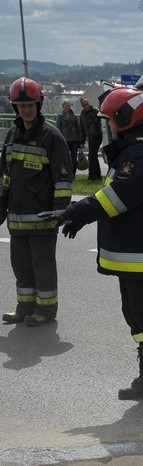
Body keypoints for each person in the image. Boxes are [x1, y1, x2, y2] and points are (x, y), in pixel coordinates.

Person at [39, 86, 143, 413]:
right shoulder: (131, 153)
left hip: (142, 254)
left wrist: (74, 212)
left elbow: (115, 199)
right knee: (134, 316)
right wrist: (81, 216)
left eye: (111, 120)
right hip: (131, 252)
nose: (108, 127)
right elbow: (113, 200)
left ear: (125, 119)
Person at [0, 77, 73, 327]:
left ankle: (46, 310)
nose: (26, 110)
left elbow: (63, 180)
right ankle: (24, 308)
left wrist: (59, 213)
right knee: (21, 267)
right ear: (15, 108)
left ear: (39, 103)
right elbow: (5, 175)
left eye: (30, 105)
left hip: (42, 220)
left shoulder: (51, 136)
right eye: (21, 106)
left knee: (42, 267)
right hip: (17, 220)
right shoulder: (12, 133)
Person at [78, 97, 103, 181]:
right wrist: (82, 141)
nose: (86, 106)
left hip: (97, 135)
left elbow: (101, 123)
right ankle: (96, 175)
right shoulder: (82, 114)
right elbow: (82, 128)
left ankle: (93, 175)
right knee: (93, 156)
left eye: (86, 104)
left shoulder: (95, 112)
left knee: (91, 155)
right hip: (90, 137)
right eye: (84, 105)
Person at [56, 100, 81, 176]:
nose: (68, 108)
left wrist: (80, 141)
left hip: (74, 139)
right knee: (65, 157)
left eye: (69, 106)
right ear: (63, 107)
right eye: (66, 106)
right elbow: (58, 128)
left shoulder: (74, 116)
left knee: (74, 158)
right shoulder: (60, 117)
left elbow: (78, 128)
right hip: (65, 139)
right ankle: (65, 173)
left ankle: (73, 174)